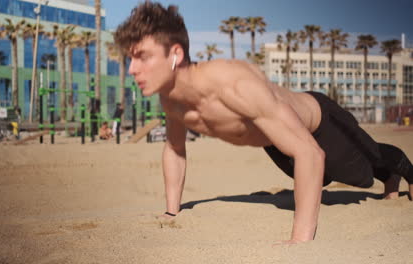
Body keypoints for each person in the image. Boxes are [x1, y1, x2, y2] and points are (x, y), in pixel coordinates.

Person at [114, 2, 413, 243]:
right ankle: (386, 177)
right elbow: (175, 149)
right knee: (319, 180)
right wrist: (172, 212)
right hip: (276, 142)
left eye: (142, 57)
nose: (132, 69)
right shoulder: (172, 99)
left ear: (175, 54)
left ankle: (402, 171)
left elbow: (310, 153)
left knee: (363, 167)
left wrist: (300, 242)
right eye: (131, 58)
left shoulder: (233, 83)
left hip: (320, 121)